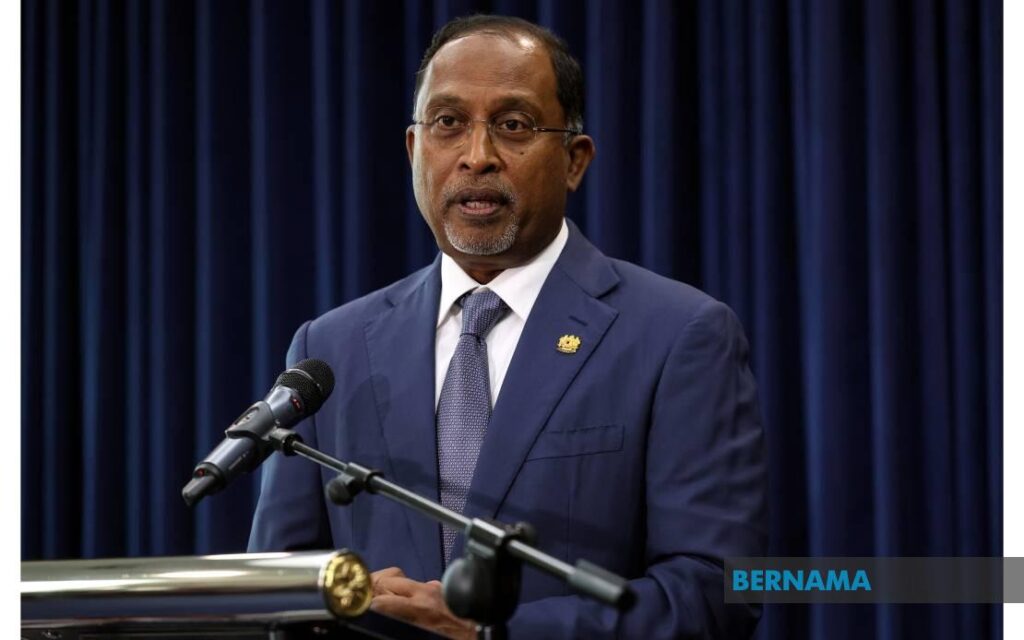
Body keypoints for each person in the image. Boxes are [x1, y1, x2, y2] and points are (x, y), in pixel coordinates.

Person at [249, 14, 767, 639]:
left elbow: (716, 590)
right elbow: (277, 591)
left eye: (513, 125)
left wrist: (491, 633)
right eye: (448, 123)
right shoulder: (330, 349)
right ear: (414, 151)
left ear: (574, 160)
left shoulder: (679, 335)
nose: (477, 157)